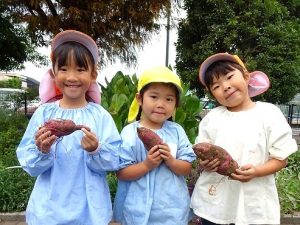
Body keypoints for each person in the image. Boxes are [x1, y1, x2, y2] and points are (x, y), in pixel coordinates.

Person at [16, 30, 121, 225]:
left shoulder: (100, 116)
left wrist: (96, 149)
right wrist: (42, 149)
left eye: (80, 69)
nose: (71, 76)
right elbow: (29, 164)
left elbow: (115, 160)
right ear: (54, 74)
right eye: (64, 69)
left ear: (93, 74)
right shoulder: (44, 113)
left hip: (89, 212)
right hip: (49, 210)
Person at [190, 53, 298, 225]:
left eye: (230, 77)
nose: (225, 86)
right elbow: (203, 151)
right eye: (216, 86)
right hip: (215, 203)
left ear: (247, 76)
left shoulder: (269, 114)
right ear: (212, 94)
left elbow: (280, 159)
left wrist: (256, 171)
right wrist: (206, 164)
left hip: (254, 205)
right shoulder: (212, 118)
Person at [113, 66, 196, 225]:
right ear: (139, 99)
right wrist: (147, 164)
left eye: (169, 99)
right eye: (154, 96)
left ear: (176, 104)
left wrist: (171, 161)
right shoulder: (130, 132)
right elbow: (122, 173)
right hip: (136, 211)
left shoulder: (177, 131)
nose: (161, 104)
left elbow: (186, 168)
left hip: (172, 211)